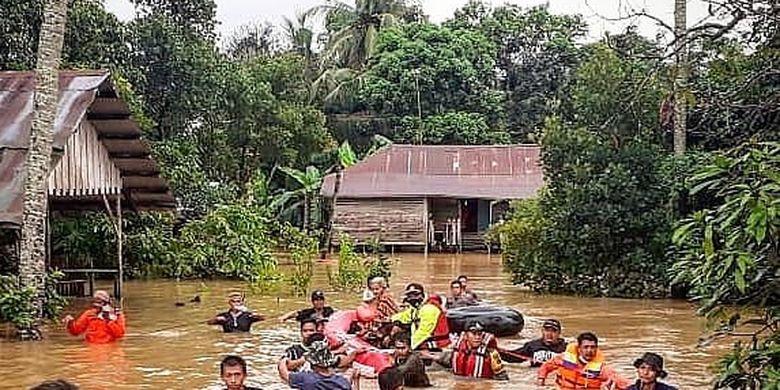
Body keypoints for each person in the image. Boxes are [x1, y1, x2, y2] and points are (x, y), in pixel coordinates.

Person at [538, 332, 631, 390]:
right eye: (586, 347)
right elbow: (546, 367)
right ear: (579, 349)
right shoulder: (564, 359)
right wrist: (540, 381)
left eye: (593, 347)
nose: (589, 351)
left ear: (597, 348)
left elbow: (627, 385)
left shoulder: (603, 370)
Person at [391, 283, 450, 351]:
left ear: (421, 294)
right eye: (410, 295)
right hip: (421, 339)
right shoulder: (417, 307)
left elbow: (423, 332)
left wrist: (410, 346)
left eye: (415, 294)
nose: (412, 297)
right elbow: (405, 316)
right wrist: (391, 319)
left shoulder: (430, 308)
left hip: (438, 343)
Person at [278, 338, 352, 390]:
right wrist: (355, 380)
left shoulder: (305, 378)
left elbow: (284, 374)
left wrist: (283, 360)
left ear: (312, 363)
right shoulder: (343, 381)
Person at [500, 318, 566, 367]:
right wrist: (496, 350)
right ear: (542, 331)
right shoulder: (532, 346)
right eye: (547, 330)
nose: (549, 334)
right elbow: (512, 356)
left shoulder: (566, 348)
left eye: (554, 331)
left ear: (559, 333)